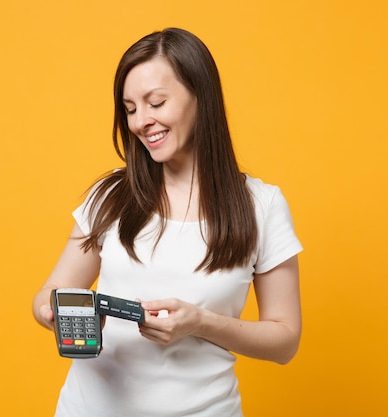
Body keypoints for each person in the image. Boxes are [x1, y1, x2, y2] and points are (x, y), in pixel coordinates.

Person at [33, 27, 302, 417]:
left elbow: (285, 341)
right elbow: (52, 291)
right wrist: (53, 312)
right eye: (130, 109)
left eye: (156, 103)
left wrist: (200, 323)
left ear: (200, 96)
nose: (142, 121)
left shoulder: (262, 206)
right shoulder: (111, 195)